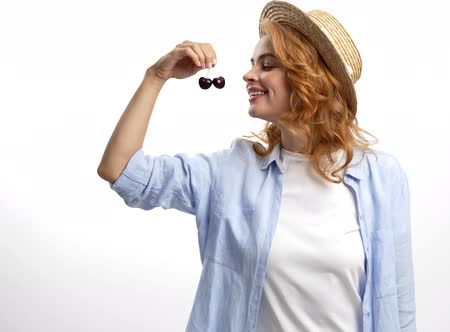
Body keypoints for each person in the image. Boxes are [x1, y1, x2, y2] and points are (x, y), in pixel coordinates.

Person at [97, 1, 416, 331]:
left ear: (310, 77)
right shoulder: (232, 173)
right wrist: (156, 77)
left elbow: (397, 304)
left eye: (267, 65)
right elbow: (121, 171)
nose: (249, 75)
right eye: (253, 64)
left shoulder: (382, 178)